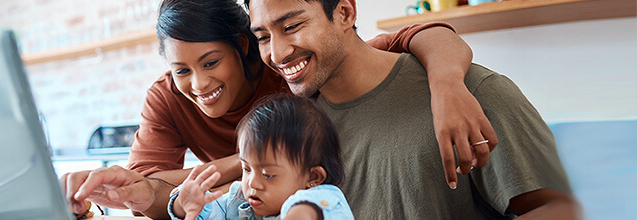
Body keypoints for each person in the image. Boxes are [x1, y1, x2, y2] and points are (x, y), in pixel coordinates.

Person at [60, 0, 498, 218]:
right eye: (181, 70)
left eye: (211, 62)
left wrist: (447, 86)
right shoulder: (168, 96)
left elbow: (417, 37)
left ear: (243, 47)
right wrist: (138, 193)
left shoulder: (295, 70)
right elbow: (156, 191)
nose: (198, 83)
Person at [244, 0, 579, 219]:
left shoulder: (469, 93)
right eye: (262, 37)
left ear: (344, 13)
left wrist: (448, 84)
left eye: (291, 26)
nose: (277, 52)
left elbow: (559, 209)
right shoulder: (298, 128)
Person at [169, 94, 352, 220]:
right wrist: (183, 204)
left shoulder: (322, 198)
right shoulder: (240, 198)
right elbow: (210, 211)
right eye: (247, 169)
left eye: (268, 174)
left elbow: (308, 210)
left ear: (312, 177)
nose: (252, 183)